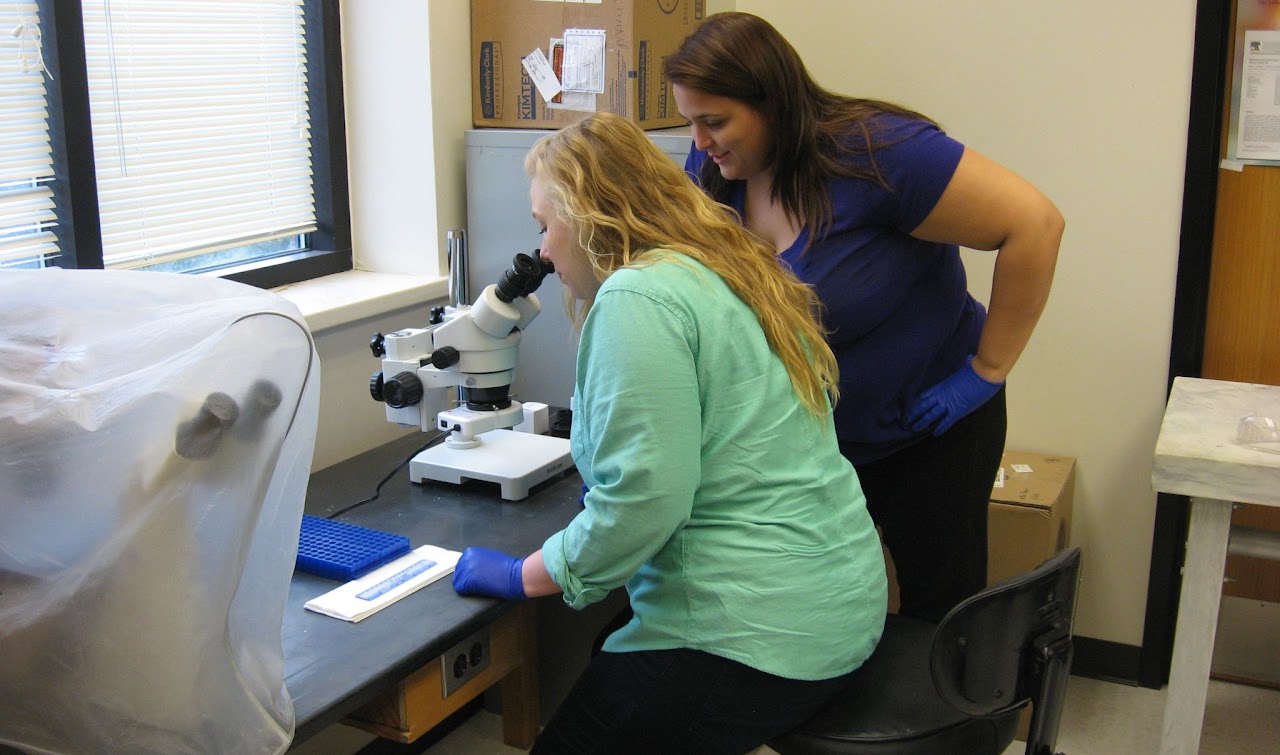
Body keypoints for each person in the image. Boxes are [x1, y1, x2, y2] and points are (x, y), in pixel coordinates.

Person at [450, 111, 887, 754]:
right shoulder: (731, 266)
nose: (541, 250)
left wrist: (529, 575)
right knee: (610, 656)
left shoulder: (640, 297)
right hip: (838, 602)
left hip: (755, 633)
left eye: (546, 225)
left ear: (590, 213)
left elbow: (645, 504)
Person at [664, 12, 1064, 623]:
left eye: (714, 121)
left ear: (773, 104)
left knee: (938, 611)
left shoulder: (878, 153)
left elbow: (1034, 224)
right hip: (816, 442)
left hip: (927, 433)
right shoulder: (717, 176)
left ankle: (951, 720)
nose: (699, 142)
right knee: (818, 606)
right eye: (690, 122)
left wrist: (986, 370)